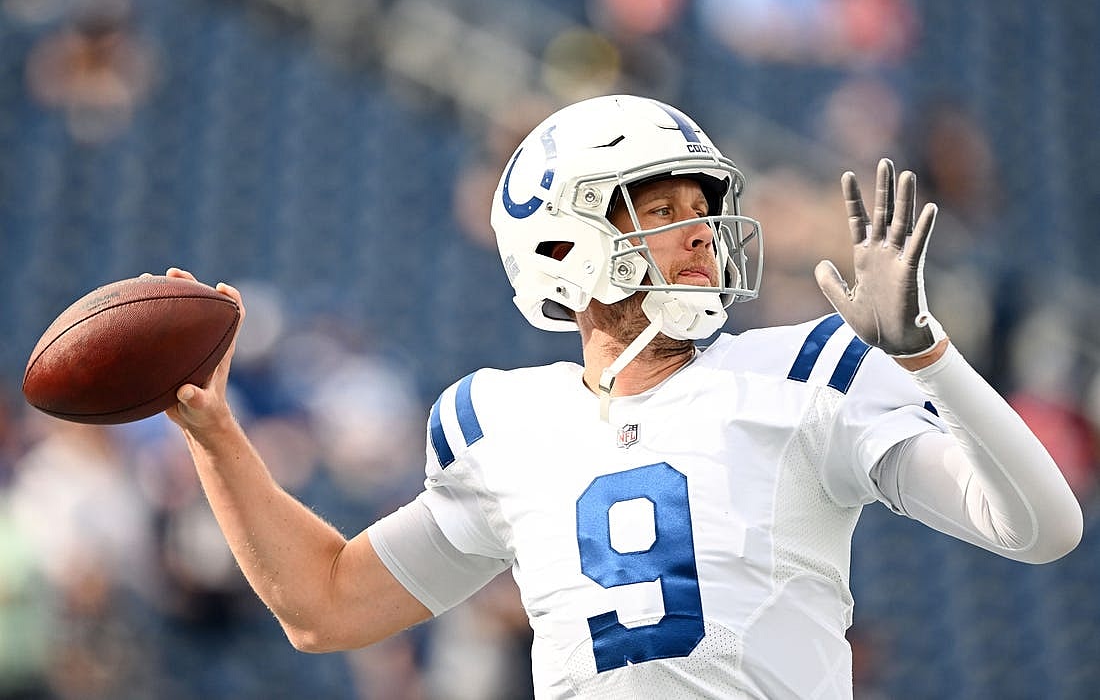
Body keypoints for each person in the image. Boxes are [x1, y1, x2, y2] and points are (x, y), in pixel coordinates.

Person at [164, 95, 1083, 699]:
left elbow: (1041, 529)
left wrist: (927, 357)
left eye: (703, 203)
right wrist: (214, 435)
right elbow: (326, 605)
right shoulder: (503, 426)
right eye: (659, 207)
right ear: (560, 244)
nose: (702, 232)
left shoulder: (803, 374)